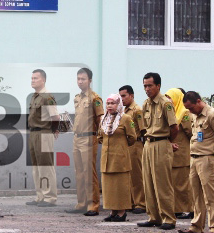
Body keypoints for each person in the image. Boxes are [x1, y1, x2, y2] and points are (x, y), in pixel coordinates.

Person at [178, 91, 214, 233]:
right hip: (194, 158)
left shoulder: (213, 115)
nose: (190, 111)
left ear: (199, 102)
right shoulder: (194, 115)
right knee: (196, 194)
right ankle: (196, 225)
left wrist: (213, 153)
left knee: (211, 194)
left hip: (207, 158)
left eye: (191, 107)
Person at [137, 73, 178, 230]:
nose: (147, 89)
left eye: (150, 86)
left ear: (158, 86)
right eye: (145, 86)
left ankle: (168, 218)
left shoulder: (165, 103)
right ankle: (154, 217)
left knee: (162, 183)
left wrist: (168, 142)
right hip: (148, 143)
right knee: (148, 182)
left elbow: (175, 128)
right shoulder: (146, 104)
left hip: (161, 143)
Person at [66, 68, 104, 216]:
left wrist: (100, 136)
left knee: (89, 173)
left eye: (83, 79)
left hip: (89, 137)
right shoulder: (77, 98)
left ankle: (93, 204)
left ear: (90, 80)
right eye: (78, 79)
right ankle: (81, 203)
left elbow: (100, 118)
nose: (80, 81)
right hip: (77, 137)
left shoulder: (95, 98)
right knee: (79, 173)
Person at [98, 94, 137, 222]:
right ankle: (113, 211)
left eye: (113, 103)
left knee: (121, 186)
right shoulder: (103, 119)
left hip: (120, 159)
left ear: (118, 104)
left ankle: (121, 212)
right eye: (108, 103)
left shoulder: (125, 118)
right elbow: (100, 137)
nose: (110, 106)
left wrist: (121, 147)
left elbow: (132, 137)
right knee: (109, 187)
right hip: (107, 158)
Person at [25, 69, 59, 207]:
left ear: (43, 80)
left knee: (46, 165)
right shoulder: (35, 96)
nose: (33, 80)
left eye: (36, 78)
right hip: (34, 133)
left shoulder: (47, 97)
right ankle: (40, 196)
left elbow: (55, 117)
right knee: (36, 167)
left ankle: (49, 197)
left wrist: (55, 130)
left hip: (44, 133)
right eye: (32, 78)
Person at [165, 88, 194, 219]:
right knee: (174, 184)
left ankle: (188, 209)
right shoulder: (172, 113)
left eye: (170, 97)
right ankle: (177, 209)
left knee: (182, 184)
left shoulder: (184, 114)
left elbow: (191, 133)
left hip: (182, 154)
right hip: (172, 153)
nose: (167, 100)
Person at [119, 85, 146, 214]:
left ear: (131, 95)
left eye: (124, 96)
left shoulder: (137, 110)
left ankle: (140, 203)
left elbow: (143, 130)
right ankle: (130, 201)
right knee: (128, 175)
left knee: (137, 175)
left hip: (136, 145)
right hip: (127, 145)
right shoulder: (124, 111)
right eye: (120, 96)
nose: (122, 99)